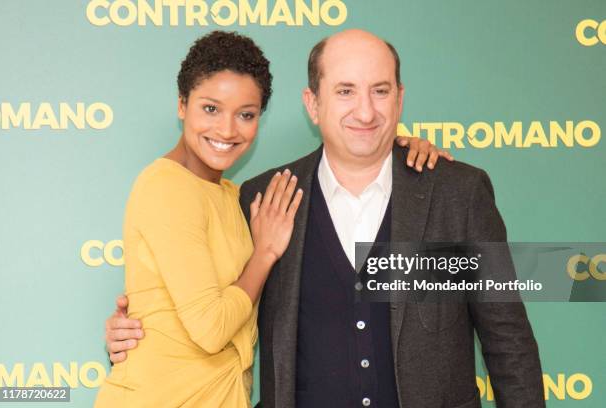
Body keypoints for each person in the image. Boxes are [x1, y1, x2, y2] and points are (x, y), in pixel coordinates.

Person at [104, 29, 539, 408]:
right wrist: (135, 328)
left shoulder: (456, 192)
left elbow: (508, 340)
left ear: (400, 99)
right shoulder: (261, 200)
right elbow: (207, 300)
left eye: (380, 91)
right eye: (346, 91)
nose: (365, 111)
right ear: (313, 104)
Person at [94, 31, 305, 407]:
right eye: (210, 108)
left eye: (245, 115)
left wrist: (399, 149)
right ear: (182, 105)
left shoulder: (231, 195)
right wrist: (264, 254)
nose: (226, 130)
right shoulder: (166, 185)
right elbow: (210, 328)